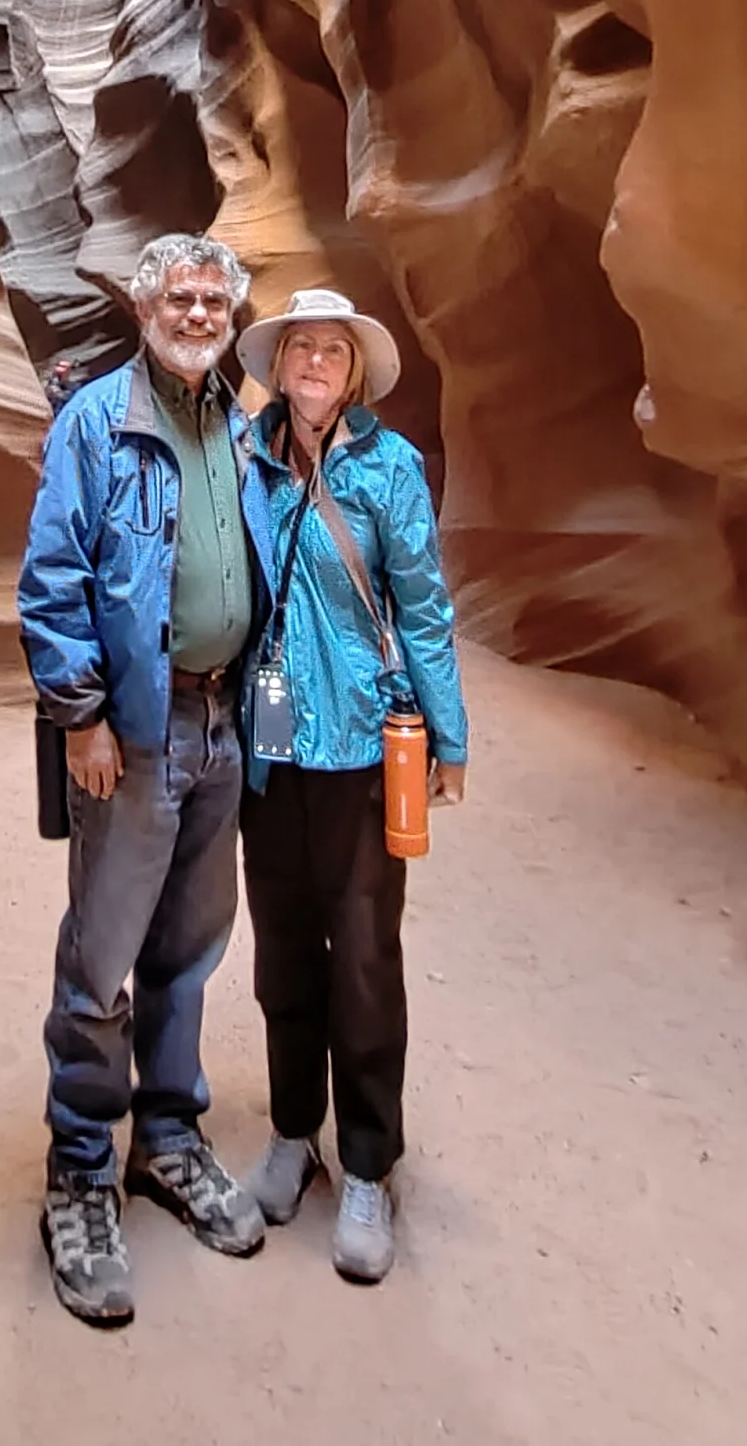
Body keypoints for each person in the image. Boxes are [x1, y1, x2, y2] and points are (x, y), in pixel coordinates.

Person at [17, 232, 277, 1327]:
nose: (201, 310)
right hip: (136, 724)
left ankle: (167, 1136)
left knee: (192, 946)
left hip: (223, 719)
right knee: (105, 956)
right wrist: (80, 716)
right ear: (143, 305)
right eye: (183, 293)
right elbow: (53, 576)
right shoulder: (95, 425)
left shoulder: (241, 423)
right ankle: (81, 1171)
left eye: (217, 296)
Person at [233, 286, 468, 1285]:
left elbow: (422, 606)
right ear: (280, 365)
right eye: (301, 349)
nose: (317, 365)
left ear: (355, 370)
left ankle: (368, 1163)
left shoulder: (388, 468)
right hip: (271, 744)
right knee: (283, 946)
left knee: (365, 954)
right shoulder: (243, 460)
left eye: (334, 351)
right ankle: (294, 1133)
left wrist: (447, 734)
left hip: (367, 746)